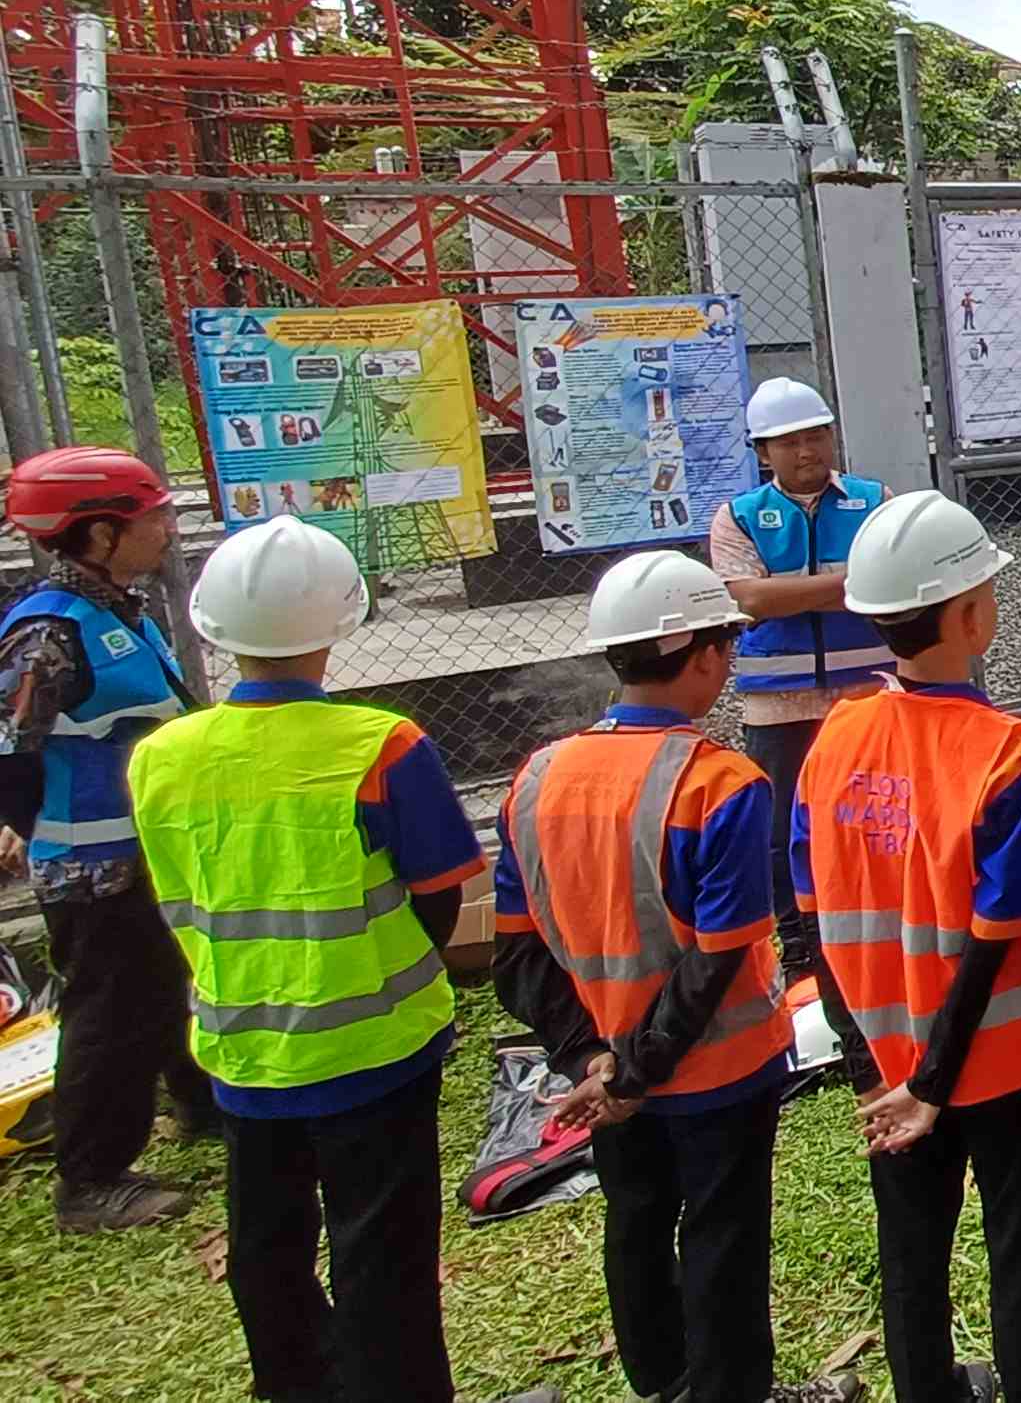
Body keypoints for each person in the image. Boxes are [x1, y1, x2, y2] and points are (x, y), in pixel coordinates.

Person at [126, 518, 547, 1403]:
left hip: (243, 1049)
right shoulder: (381, 746)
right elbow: (440, 889)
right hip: (376, 1051)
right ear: (338, 624)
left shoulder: (160, 758)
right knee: (382, 1252)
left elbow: (179, 888)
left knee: (267, 1248)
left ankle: (298, 1386)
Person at [490, 551, 858, 1403]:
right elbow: (718, 954)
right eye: (725, 648)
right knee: (723, 1233)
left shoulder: (536, 779)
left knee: (638, 1219)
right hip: (715, 1071)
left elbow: (515, 955)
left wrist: (596, 1064)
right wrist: (639, 1070)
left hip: (605, 1072)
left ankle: (661, 1383)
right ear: (700, 654)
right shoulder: (720, 782)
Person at [795, 490, 1021, 1403]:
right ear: (967, 615)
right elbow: (998, 937)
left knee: (911, 1247)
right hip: (1003, 1062)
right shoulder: (1009, 753)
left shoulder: (834, 736)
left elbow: (811, 912)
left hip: (884, 1057)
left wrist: (875, 1068)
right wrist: (936, 1079)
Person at [0, 446, 217, 1232]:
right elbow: (9, 750)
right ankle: (90, 1180)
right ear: (97, 534)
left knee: (170, 981)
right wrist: (30, 829)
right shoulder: (49, 632)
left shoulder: (112, 606)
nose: (166, 526)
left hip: (143, 848)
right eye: (150, 516)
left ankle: (200, 1103)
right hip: (93, 863)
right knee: (111, 1011)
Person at [708, 376, 892, 980]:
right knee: (784, 830)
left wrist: (793, 593)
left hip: (866, 697)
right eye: (788, 442)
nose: (807, 450)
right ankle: (803, 954)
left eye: (816, 435)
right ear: (763, 453)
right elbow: (751, 598)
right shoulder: (738, 519)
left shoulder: (874, 500)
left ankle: (877, 930)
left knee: (874, 820)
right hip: (778, 707)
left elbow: (887, 582)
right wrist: (849, 586)